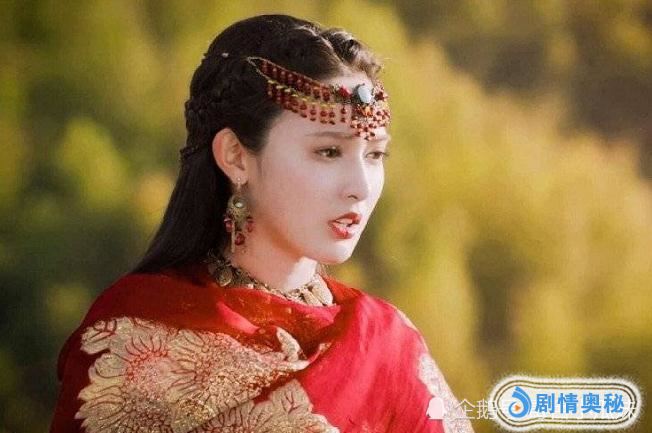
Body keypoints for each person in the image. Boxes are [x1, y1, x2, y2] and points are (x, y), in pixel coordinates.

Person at [49, 14, 475, 433]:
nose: (361, 187)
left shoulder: (384, 344)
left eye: (375, 155)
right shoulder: (135, 333)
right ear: (236, 156)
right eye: (329, 152)